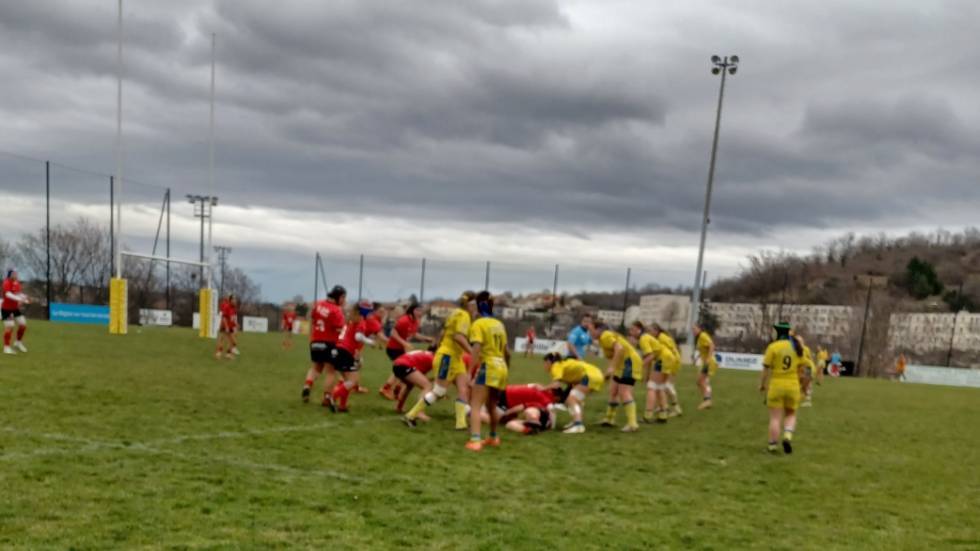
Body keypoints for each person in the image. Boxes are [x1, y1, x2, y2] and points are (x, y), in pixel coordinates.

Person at [403, 291, 477, 430]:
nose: (477, 308)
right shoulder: (464, 315)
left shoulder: (456, 313)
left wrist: (437, 345)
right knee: (439, 392)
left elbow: (444, 332)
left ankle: (460, 424)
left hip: (455, 357)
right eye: (476, 305)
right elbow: (458, 337)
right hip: (448, 357)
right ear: (471, 305)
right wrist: (472, 352)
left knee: (463, 389)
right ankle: (411, 415)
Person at [464, 291, 509, 451]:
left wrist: (470, 372)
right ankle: (493, 437)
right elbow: (507, 351)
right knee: (491, 405)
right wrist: (506, 369)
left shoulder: (479, 324)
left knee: (475, 404)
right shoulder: (499, 324)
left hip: (488, 365)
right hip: (501, 366)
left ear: (478, 306)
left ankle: (475, 440)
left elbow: (476, 349)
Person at [760, 322, 806, 454]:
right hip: (793, 386)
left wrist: (762, 384)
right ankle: (787, 436)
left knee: (775, 418)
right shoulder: (797, 347)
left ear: (778, 333)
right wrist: (803, 385)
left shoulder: (773, 347)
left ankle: (772, 445)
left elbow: (765, 368)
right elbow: (803, 368)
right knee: (791, 414)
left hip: (776, 385)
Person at [591, 321, 644, 432]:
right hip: (622, 365)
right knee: (613, 390)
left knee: (624, 392)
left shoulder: (605, 335)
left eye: (591, 329)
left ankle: (632, 424)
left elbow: (619, 349)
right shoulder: (603, 339)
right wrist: (610, 371)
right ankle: (609, 419)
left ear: (599, 329)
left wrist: (612, 368)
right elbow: (614, 355)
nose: (590, 332)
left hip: (629, 363)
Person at [301, 285, 346, 407]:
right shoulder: (337, 310)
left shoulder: (319, 304)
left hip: (315, 341)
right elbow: (340, 328)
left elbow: (313, 318)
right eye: (343, 297)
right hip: (329, 343)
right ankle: (327, 397)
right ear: (339, 297)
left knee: (316, 367)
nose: (344, 301)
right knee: (331, 371)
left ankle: (307, 385)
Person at [329, 300, 378, 412]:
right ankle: (332, 397)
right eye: (370, 312)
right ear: (365, 312)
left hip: (338, 350)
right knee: (353, 381)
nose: (371, 314)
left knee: (347, 381)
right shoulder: (360, 321)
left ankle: (342, 406)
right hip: (344, 352)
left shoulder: (351, 319)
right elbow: (358, 337)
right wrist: (370, 342)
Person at [379, 303, 432, 400]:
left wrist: (425, 338)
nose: (420, 312)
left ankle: (396, 390)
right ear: (412, 310)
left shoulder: (416, 321)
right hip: (393, 348)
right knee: (402, 367)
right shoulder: (404, 320)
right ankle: (386, 388)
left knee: (404, 369)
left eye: (421, 310)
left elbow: (414, 334)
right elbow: (393, 333)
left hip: (401, 348)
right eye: (417, 310)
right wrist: (404, 343)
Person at [630, 321, 680, 423]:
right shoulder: (647, 337)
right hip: (669, 358)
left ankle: (648, 416)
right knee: (660, 387)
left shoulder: (643, 339)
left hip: (663, 359)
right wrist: (647, 375)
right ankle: (663, 415)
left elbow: (651, 356)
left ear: (638, 330)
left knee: (651, 387)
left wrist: (638, 366)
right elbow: (650, 357)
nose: (631, 333)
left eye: (632, 330)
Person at [541, 353, 603, 434]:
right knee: (570, 400)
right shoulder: (564, 364)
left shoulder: (555, 366)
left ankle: (578, 425)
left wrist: (543, 388)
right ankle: (576, 421)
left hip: (590, 376)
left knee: (572, 399)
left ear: (549, 362)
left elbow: (556, 385)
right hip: (595, 374)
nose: (544, 366)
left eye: (544, 363)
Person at [390, 347, 436, 419]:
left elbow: (420, 376)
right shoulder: (433, 358)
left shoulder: (424, 354)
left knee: (410, 385)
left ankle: (399, 407)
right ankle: (419, 412)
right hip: (405, 366)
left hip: (397, 365)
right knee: (427, 386)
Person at [649, 323, 682, 416]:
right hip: (669, 360)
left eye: (651, 331)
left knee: (666, 385)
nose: (649, 333)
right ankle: (662, 406)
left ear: (656, 331)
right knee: (661, 385)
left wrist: (674, 361)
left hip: (671, 361)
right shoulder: (661, 337)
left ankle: (676, 409)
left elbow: (672, 349)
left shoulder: (662, 338)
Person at [2, 269, 29, 355]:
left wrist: (24, 297)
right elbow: (8, 294)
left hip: (15, 308)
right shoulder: (6, 282)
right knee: (10, 326)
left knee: (23, 324)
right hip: (6, 309)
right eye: (14, 274)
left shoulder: (17, 283)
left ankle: (18, 342)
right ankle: (6, 347)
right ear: (10, 275)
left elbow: (18, 293)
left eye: (16, 274)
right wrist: (19, 299)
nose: (16, 275)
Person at [693, 324, 718, 410]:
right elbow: (704, 349)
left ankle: (707, 400)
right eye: (692, 329)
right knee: (701, 382)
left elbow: (712, 345)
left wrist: (708, 358)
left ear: (700, 329)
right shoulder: (699, 338)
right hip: (706, 362)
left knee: (700, 381)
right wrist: (697, 357)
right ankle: (707, 400)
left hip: (709, 363)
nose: (693, 331)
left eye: (695, 329)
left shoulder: (703, 335)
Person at [215, 294, 239, 360]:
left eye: (235, 299)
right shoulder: (227, 306)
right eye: (234, 299)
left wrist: (236, 324)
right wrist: (226, 326)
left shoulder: (234, 308)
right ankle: (219, 353)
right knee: (222, 339)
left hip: (230, 327)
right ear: (230, 300)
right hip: (225, 326)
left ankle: (228, 354)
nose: (235, 301)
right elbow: (224, 317)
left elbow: (233, 318)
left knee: (232, 342)